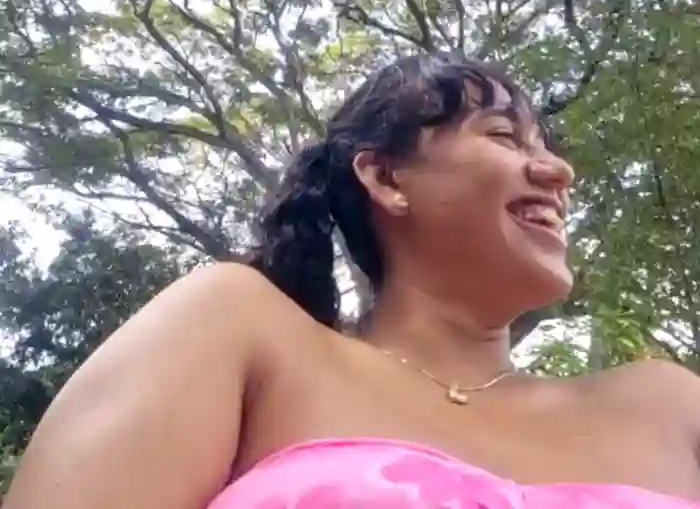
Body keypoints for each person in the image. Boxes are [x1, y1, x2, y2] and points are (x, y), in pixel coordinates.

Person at [6, 52, 700, 509]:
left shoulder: (669, 405)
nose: (558, 171)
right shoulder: (240, 328)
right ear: (386, 177)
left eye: (547, 146)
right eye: (502, 136)